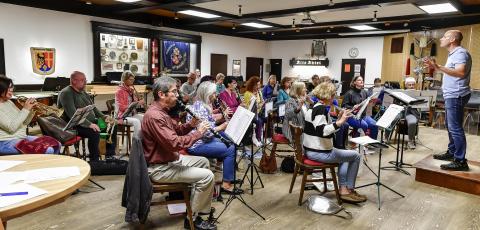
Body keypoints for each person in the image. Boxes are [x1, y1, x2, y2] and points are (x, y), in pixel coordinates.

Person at [142, 76, 217, 230]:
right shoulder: (155, 116)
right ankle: (194, 220)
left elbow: (175, 131)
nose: (178, 95)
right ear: (161, 94)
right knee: (208, 176)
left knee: (203, 161)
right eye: (174, 92)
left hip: (169, 160)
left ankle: (197, 205)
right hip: (160, 168)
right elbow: (174, 143)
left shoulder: (162, 112)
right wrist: (199, 133)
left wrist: (191, 125)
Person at [303, 82, 366, 203]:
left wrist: (338, 119)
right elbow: (322, 131)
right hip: (318, 151)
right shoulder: (320, 109)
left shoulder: (315, 106)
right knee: (356, 156)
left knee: (345, 155)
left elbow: (322, 127)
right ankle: (348, 189)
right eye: (333, 95)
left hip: (313, 149)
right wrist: (340, 122)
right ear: (328, 95)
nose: (335, 97)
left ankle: (343, 189)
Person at [425, 30, 472, 171]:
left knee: (455, 128)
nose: (441, 39)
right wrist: (436, 68)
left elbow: (460, 72)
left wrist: (438, 67)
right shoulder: (453, 54)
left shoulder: (460, 53)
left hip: (456, 95)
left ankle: (460, 160)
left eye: (444, 37)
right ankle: (452, 153)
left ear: (452, 39)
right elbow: (452, 72)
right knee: (450, 125)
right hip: (451, 94)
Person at [186, 81, 239, 194]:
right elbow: (206, 133)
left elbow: (209, 124)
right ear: (206, 94)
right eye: (214, 93)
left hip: (203, 140)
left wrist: (218, 119)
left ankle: (229, 176)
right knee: (230, 149)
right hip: (197, 144)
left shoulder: (202, 105)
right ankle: (226, 184)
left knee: (230, 141)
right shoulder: (200, 108)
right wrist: (222, 126)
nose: (215, 96)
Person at [58, 71, 117, 161]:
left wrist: (104, 117)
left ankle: (108, 154)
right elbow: (72, 114)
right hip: (74, 126)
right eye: (82, 80)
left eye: (85, 79)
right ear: (74, 81)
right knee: (94, 132)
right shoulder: (66, 93)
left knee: (111, 125)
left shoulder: (83, 92)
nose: (85, 82)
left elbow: (94, 108)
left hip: (88, 122)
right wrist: (89, 124)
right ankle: (94, 161)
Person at [0, 75, 59, 154]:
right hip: (5, 142)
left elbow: (25, 123)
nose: (12, 89)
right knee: (48, 150)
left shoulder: (9, 102)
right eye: (9, 87)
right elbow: (11, 128)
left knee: (56, 144)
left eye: (12, 87)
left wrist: (31, 110)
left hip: (21, 137)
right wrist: (25, 109)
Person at [342, 76, 378, 141]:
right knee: (364, 125)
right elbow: (344, 106)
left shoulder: (364, 92)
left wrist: (371, 102)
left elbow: (368, 105)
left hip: (363, 115)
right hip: (352, 116)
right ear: (354, 82)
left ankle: (371, 143)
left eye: (362, 80)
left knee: (374, 124)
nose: (361, 81)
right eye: (359, 80)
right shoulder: (349, 93)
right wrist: (352, 107)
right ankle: (355, 142)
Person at [115, 71, 145, 137]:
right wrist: (137, 103)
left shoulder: (130, 90)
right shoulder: (119, 91)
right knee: (136, 122)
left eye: (133, 79)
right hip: (122, 116)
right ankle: (136, 143)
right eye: (130, 79)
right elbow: (121, 108)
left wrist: (138, 99)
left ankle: (143, 140)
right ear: (124, 80)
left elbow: (133, 103)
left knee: (146, 118)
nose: (132, 81)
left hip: (132, 114)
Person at [243, 76, 264, 145]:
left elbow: (261, 102)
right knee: (259, 121)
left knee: (268, 117)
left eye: (259, 84)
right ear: (252, 85)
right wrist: (259, 105)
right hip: (251, 113)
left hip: (258, 112)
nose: (258, 86)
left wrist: (262, 103)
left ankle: (265, 136)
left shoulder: (258, 92)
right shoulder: (247, 94)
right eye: (257, 85)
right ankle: (257, 138)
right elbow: (249, 107)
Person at [403, 77, 421, 149]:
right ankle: (386, 138)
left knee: (412, 122)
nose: (411, 86)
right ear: (406, 85)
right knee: (390, 117)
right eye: (409, 85)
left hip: (411, 113)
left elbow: (422, 105)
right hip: (401, 111)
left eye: (413, 85)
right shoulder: (401, 92)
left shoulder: (418, 93)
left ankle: (410, 141)